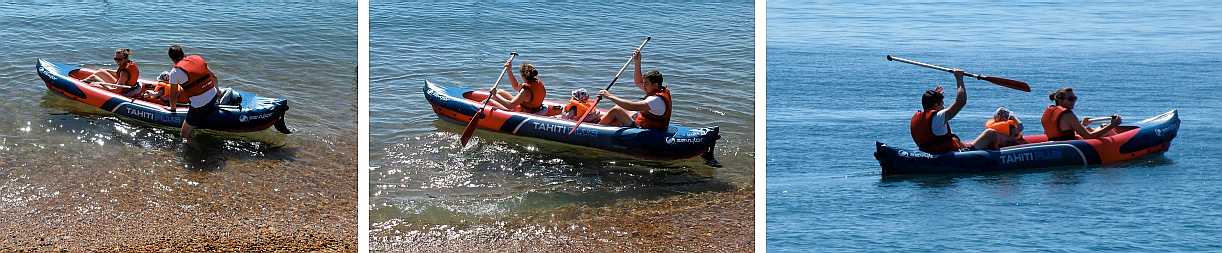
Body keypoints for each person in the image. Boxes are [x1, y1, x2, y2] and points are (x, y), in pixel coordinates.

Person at [909, 69, 1010, 153]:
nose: (944, 106)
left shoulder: (917, 117)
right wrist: (959, 79)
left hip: (928, 152)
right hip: (954, 154)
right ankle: (996, 154)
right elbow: (961, 101)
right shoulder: (939, 116)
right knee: (991, 133)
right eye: (942, 103)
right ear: (935, 104)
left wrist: (935, 95)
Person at [597, 49, 671, 129]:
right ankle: (603, 121)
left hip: (646, 130)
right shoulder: (660, 90)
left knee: (616, 110)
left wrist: (609, 96)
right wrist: (637, 62)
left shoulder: (655, 99)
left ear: (655, 85)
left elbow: (632, 106)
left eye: (646, 83)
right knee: (621, 108)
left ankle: (595, 128)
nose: (643, 85)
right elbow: (638, 82)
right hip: (646, 122)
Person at [164, 44, 221, 140]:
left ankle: (196, 151)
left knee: (184, 135)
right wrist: (218, 91)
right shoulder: (197, 58)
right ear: (183, 53)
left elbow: (173, 95)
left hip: (200, 105)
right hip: (214, 95)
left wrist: (173, 110)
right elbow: (214, 76)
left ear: (172, 59)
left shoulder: (174, 72)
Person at [1040, 87, 1121, 141]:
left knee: (1089, 129)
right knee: (1104, 127)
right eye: (1070, 99)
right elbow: (1088, 137)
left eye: (1075, 98)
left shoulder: (1050, 111)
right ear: (1061, 100)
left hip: (1057, 143)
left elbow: (1059, 132)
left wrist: (1082, 125)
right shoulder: (1068, 115)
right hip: (1069, 145)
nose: (1074, 101)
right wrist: (1112, 125)